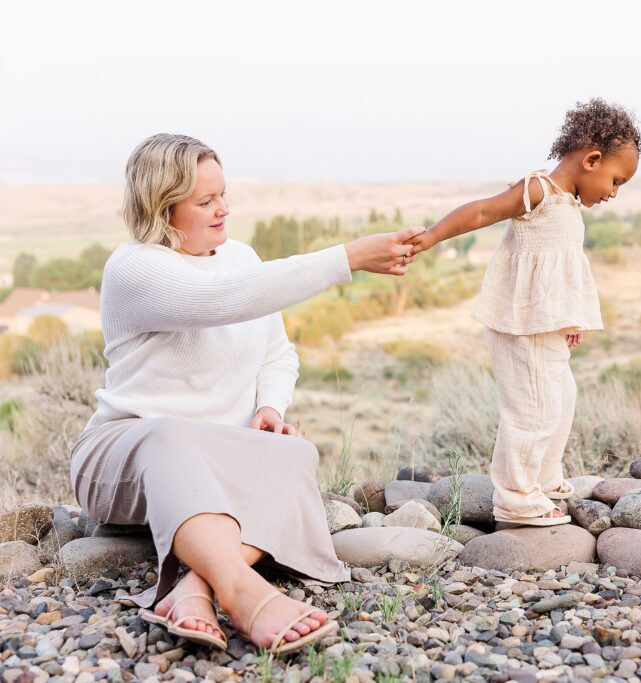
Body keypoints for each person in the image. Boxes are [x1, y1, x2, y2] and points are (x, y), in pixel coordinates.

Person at [70, 133, 425, 654]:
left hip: (221, 462)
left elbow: (277, 353)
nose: (224, 209)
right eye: (206, 201)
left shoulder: (241, 256)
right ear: (163, 209)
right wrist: (348, 257)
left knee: (295, 452)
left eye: (224, 194)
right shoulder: (134, 267)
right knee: (171, 434)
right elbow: (221, 300)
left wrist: (267, 409)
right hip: (127, 457)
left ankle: (194, 586)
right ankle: (243, 594)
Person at [406, 98, 641, 525]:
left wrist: (569, 316)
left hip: (545, 326)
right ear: (591, 160)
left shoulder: (568, 203)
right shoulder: (539, 191)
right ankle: (515, 497)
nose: (613, 192)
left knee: (561, 400)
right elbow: (481, 211)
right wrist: (431, 237)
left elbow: (560, 268)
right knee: (530, 410)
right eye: (616, 180)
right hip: (519, 327)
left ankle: (544, 477)